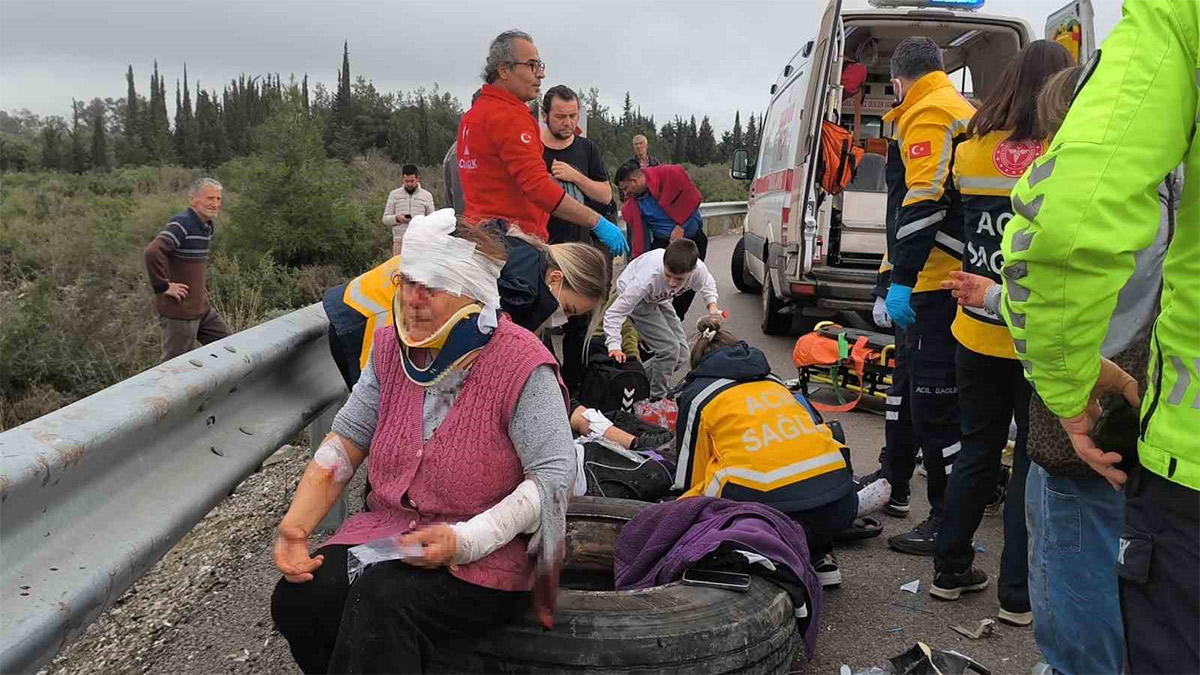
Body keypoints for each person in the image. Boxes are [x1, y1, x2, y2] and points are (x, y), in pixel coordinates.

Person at [271, 211, 576, 674]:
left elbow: (554, 477)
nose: (412, 299)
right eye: (407, 281)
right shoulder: (391, 349)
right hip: (393, 536)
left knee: (384, 599)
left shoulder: (520, 363)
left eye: (429, 287)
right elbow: (347, 441)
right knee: (300, 599)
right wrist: (294, 531)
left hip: (488, 556)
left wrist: (467, 540)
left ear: (470, 293)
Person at [1000, 1, 1198, 671]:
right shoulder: (1174, 184)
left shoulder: (1176, 25)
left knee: (1081, 639)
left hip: (1096, 442)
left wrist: (1064, 381)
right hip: (1143, 445)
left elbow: (1063, 251)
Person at [926, 40, 1073, 626]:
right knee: (1031, 463)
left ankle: (949, 569)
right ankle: (1018, 593)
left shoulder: (971, 151)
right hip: (1034, 329)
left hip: (974, 324)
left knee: (978, 448)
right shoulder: (1062, 154)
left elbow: (955, 226)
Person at [675, 316, 892, 586]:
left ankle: (768, 558)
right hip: (837, 505)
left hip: (769, 520)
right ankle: (820, 554)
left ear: (698, 364)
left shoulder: (698, 396)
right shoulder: (777, 383)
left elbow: (688, 478)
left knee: (707, 486)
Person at [879, 37, 975, 556]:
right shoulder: (950, 107)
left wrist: (903, 277)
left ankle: (945, 517)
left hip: (936, 283)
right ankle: (893, 483)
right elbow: (902, 214)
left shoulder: (930, 111)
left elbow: (923, 200)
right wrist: (887, 273)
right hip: (928, 277)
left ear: (898, 79)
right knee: (910, 389)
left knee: (936, 404)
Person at [456, 30, 628, 257]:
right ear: (504, 70)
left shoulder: (473, 116)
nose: (541, 74)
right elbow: (536, 187)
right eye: (532, 65)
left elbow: (497, 176)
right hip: (513, 244)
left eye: (540, 65)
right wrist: (597, 222)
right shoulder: (510, 116)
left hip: (482, 239)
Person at [540, 84, 615, 393]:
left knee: (577, 324)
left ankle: (574, 389)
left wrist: (575, 177)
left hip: (579, 249)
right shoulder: (533, 148)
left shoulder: (587, 149)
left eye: (573, 116)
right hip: (543, 249)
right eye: (560, 116)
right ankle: (542, 387)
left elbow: (606, 194)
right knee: (540, 324)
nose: (568, 122)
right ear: (545, 115)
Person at [604, 238, 720, 400]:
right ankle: (656, 400)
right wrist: (614, 345)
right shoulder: (645, 279)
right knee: (669, 350)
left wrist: (712, 307)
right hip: (639, 301)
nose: (672, 283)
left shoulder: (698, 270)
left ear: (692, 271)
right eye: (668, 275)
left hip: (659, 299)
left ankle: (631, 383)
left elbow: (708, 283)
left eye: (679, 279)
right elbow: (614, 313)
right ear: (663, 265)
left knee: (681, 355)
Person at [143, 177, 231, 362]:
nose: (215, 204)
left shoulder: (206, 226)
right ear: (193, 200)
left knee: (229, 346)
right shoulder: (183, 223)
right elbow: (152, 251)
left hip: (201, 310)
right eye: (210, 198)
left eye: (218, 199)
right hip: (180, 313)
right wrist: (163, 286)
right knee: (175, 367)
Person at [614, 161, 708, 319]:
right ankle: (656, 319)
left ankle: (677, 317)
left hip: (691, 237)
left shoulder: (670, 174)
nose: (625, 194)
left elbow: (692, 199)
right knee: (656, 278)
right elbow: (640, 237)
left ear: (634, 181)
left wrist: (681, 226)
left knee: (687, 280)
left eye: (625, 188)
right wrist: (638, 263)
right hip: (663, 242)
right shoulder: (634, 203)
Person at [382, 165, 436, 256]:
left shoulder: (427, 196)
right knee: (399, 269)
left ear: (417, 179)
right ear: (402, 179)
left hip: (420, 242)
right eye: (406, 181)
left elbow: (433, 220)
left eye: (412, 181)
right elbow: (385, 219)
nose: (409, 184)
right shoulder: (394, 195)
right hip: (400, 242)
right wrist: (397, 218)